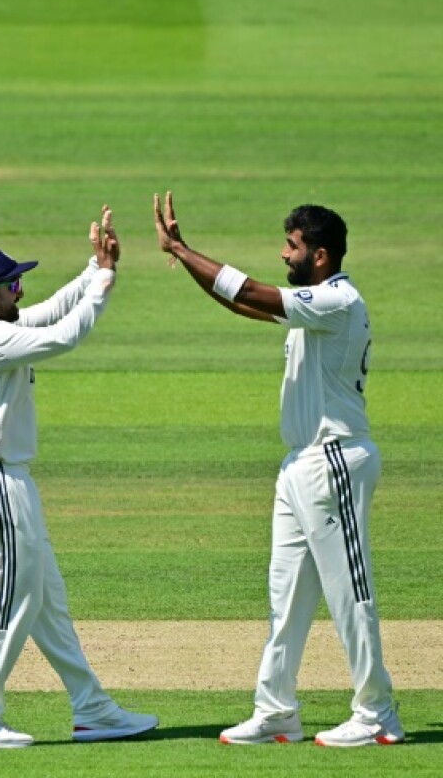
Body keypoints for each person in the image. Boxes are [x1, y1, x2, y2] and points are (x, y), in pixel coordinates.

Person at [153, 192, 402, 747]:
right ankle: (276, 711)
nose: (282, 253)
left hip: (334, 458)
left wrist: (181, 248)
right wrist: (188, 260)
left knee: (349, 593)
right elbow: (241, 304)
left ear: (319, 255)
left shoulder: (336, 300)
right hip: (300, 467)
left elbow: (248, 290)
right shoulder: (313, 301)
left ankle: (378, 713)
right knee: (285, 595)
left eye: (291, 246)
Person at [0, 207, 159, 748]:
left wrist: (95, 267)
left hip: (7, 480)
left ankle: (93, 709)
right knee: (15, 601)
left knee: (46, 601)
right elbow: (64, 335)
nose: (20, 290)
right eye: (12, 284)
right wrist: (105, 284)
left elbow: (48, 311)